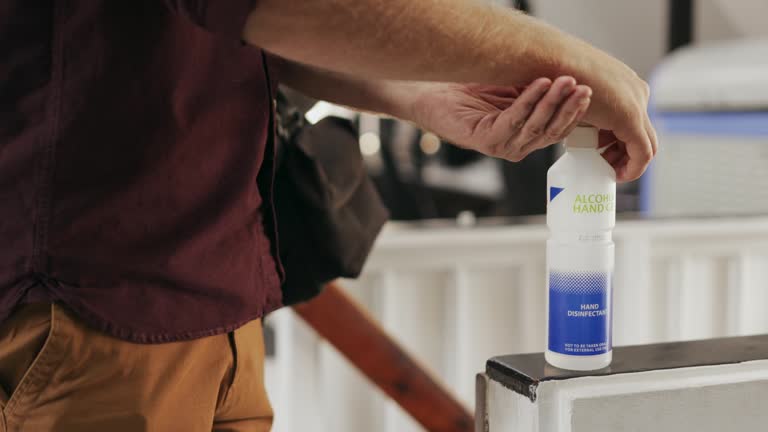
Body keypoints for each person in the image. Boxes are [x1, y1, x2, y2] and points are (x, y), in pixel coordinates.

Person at [0, 1, 656, 431]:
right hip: (94, 316)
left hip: (214, 304)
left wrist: (424, 96)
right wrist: (573, 61)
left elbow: (241, 31)